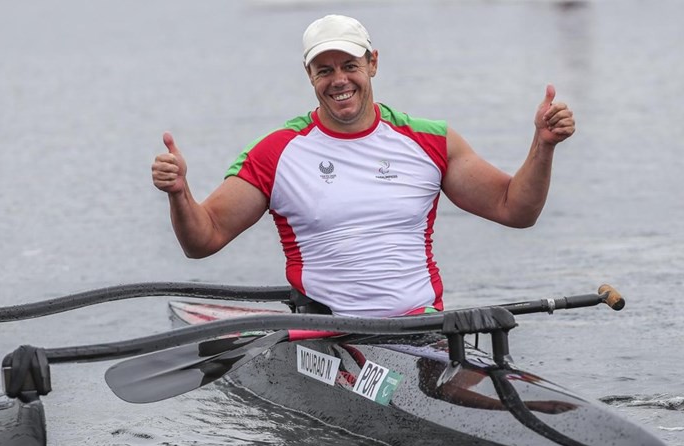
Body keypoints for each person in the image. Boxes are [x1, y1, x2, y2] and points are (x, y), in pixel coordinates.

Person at [151, 14, 575, 318]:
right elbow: (203, 240)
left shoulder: (431, 140)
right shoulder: (275, 153)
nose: (339, 80)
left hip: (422, 327)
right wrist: (180, 193)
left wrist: (543, 145)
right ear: (309, 75)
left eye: (350, 66)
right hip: (327, 335)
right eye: (325, 70)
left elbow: (514, 210)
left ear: (373, 63)